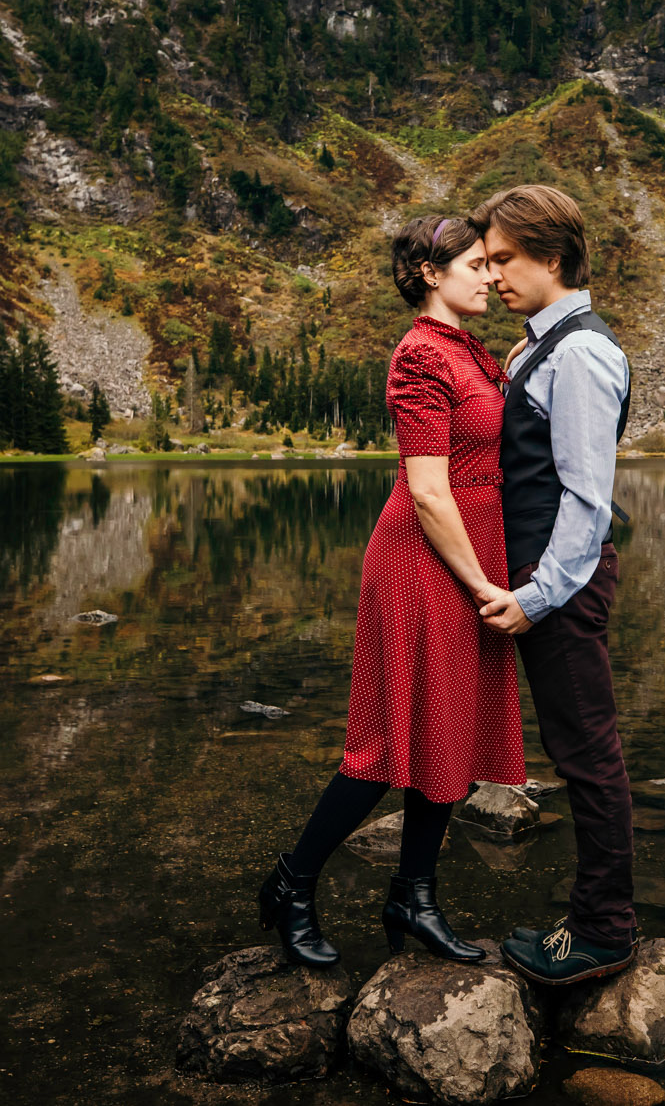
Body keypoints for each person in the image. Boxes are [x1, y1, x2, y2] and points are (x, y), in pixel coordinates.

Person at [257, 214, 524, 967]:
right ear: (431, 273)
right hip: (424, 559)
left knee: (450, 731)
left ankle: (414, 892)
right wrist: (481, 585)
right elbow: (430, 490)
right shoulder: (418, 356)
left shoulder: (469, 349)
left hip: (468, 557)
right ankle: (294, 880)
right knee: (383, 744)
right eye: (475, 264)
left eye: (490, 263)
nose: (489, 276)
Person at [469, 184, 637, 986]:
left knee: (588, 756)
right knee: (582, 751)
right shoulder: (541, 344)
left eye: (505, 259)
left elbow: (586, 498)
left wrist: (534, 596)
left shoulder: (580, 352)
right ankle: (599, 919)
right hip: (546, 578)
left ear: (553, 257)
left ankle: (604, 931)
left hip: (559, 582)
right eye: (489, 260)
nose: (493, 274)